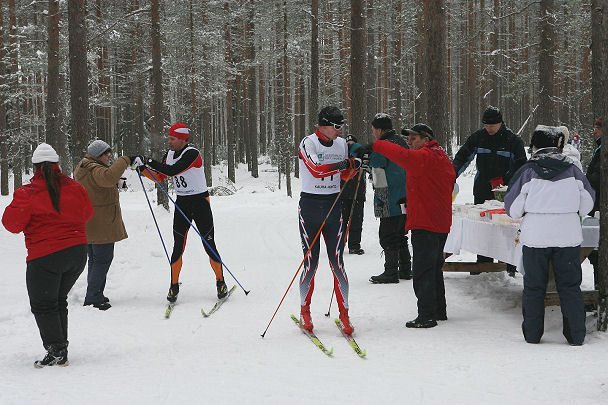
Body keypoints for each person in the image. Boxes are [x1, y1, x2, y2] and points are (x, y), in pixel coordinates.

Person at [2, 143, 93, 367]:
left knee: (43, 304)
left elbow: (11, 224)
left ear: (34, 168)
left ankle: (57, 351)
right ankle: (60, 346)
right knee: (57, 300)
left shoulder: (28, 192)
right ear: (57, 165)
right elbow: (88, 213)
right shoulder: (75, 187)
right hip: (78, 253)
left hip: (46, 256)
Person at [356, 124, 455, 328]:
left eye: (414, 139)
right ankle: (438, 310)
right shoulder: (440, 155)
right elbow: (435, 184)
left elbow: (401, 156)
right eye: (408, 139)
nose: (409, 143)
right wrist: (414, 197)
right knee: (434, 268)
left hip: (426, 222)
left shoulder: (425, 156)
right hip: (438, 220)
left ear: (426, 139)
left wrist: (376, 145)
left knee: (423, 271)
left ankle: (426, 315)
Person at [504, 125, 595, 345]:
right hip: (567, 235)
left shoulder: (527, 170)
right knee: (570, 286)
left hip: (536, 236)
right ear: (558, 145)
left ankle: (533, 335)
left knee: (534, 287)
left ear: (534, 146)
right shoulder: (574, 171)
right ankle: (575, 335)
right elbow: (588, 204)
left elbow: (513, 209)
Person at [136, 123, 227, 302]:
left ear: (182, 139)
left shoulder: (193, 153)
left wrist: (148, 160)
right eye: (168, 138)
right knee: (178, 246)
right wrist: (142, 169)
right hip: (182, 203)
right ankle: (174, 285)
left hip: (200, 202)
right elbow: (161, 177)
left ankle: (220, 281)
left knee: (209, 244)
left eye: (172, 139)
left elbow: (173, 171)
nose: (168, 141)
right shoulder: (168, 155)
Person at [297, 106, 361, 335]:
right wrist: (344, 165)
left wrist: (353, 168)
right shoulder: (308, 143)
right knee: (311, 263)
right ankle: (305, 311)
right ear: (323, 125)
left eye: (342, 125)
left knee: (337, 262)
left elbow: (341, 175)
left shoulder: (342, 144)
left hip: (334, 206)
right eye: (336, 126)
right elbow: (316, 169)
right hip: (311, 207)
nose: (340, 130)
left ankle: (344, 315)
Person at [452, 106, 527, 275]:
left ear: (501, 123)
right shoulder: (478, 138)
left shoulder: (513, 140)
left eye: (492, 125)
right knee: (482, 225)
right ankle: (483, 263)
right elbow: (462, 157)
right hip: (482, 187)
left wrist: (507, 183)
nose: (489, 128)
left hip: (506, 191)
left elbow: (521, 167)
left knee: (507, 227)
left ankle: (509, 264)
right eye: (486, 125)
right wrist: (451, 175)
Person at [74, 140, 132, 310]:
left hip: (91, 222)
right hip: (101, 224)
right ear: (98, 155)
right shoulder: (95, 168)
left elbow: (98, 185)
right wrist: (125, 160)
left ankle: (95, 292)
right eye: (106, 154)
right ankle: (93, 296)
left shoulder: (84, 166)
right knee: (102, 260)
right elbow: (107, 178)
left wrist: (116, 183)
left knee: (95, 260)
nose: (109, 157)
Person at [353, 113, 410, 283]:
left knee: (387, 235)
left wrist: (367, 166)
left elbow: (378, 174)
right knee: (400, 233)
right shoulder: (401, 141)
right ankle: (406, 269)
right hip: (406, 194)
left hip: (389, 195)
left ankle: (391, 272)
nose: (373, 133)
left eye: (373, 130)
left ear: (379, 130)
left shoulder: (381, 146)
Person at [340, 134, 366, 255]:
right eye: (348, 143)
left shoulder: (361, 154)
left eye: (352, 143)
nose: (350, 145)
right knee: (345, 220)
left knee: (354, 220)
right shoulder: (343, 155)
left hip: (355, 192)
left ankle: (353, 245)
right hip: (345, 192)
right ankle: (343, 244)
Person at [586, 118, 602, 288]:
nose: (594, 131)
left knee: (598, 250)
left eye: (597, 128)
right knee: (595, 251)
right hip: (595, 204)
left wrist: (585, 181)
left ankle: (600, 290)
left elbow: (596, 178)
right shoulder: (599, 148)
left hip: (599, 205)